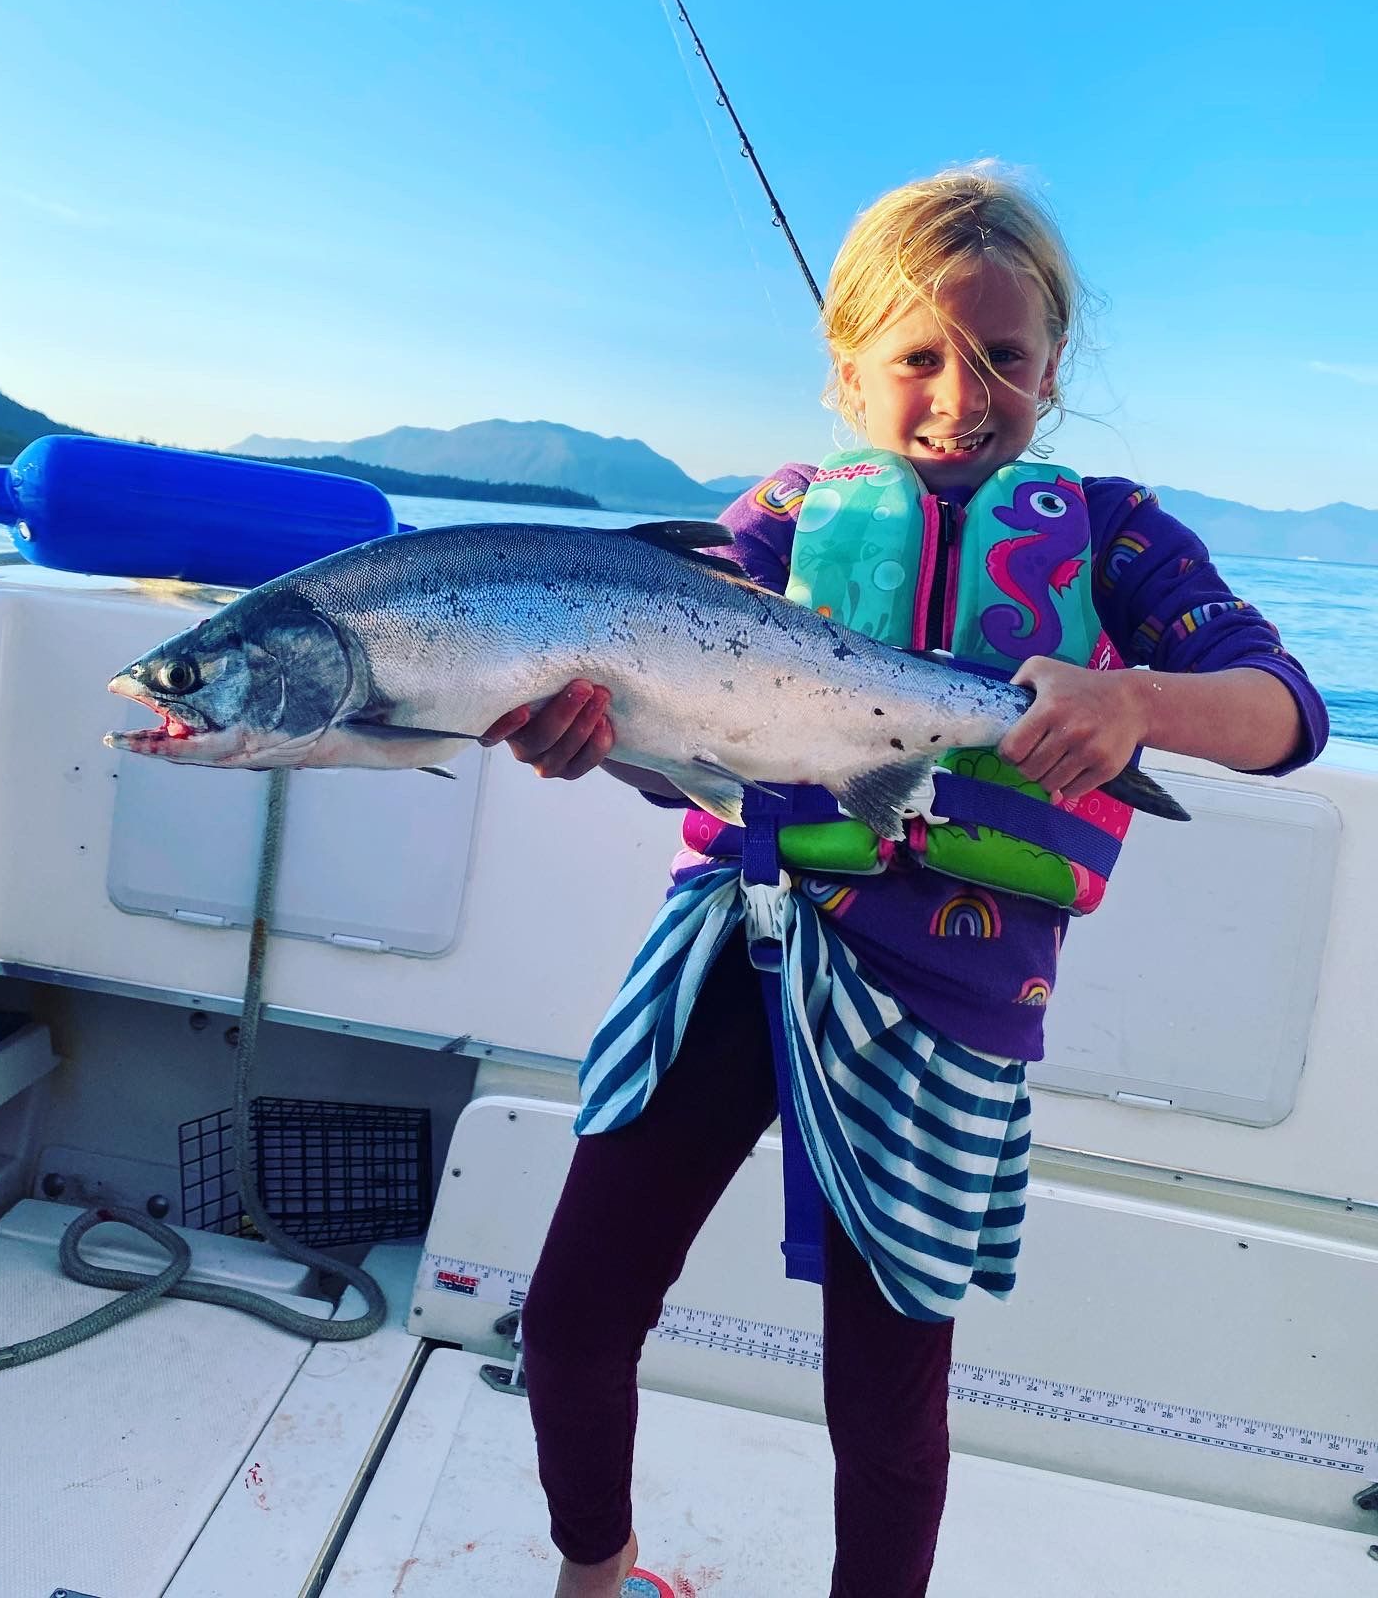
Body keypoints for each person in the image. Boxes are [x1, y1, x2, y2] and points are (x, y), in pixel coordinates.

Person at [479, 168, 1330, 1598]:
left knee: (882, 1409)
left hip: (949, 992)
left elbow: (1285, 708)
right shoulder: (775, 524)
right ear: (850, 368)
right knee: (573, 1314)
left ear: (1052, 368)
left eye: (1003, 356)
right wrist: (593, 740)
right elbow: (673, 736)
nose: (962, 396)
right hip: (742, 939)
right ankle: (596, 1568)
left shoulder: (1116, 533)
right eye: (921, 357)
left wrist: (1135, 703)